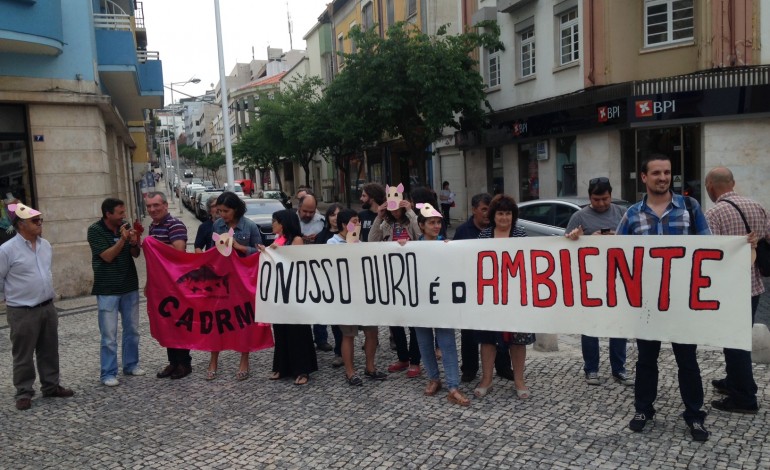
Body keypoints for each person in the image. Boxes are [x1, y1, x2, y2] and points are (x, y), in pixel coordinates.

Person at [616, 155, 711, 442]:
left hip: (682, 301)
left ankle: (695, 415)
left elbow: (711, 247)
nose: (663, 177)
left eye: (667, 172)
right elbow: (613, 254)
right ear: (644, 177)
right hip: (646, 302)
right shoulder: (632, 214)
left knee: (688, 360)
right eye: (656, 172)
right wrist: (579, 241)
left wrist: (741, 246)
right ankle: (643, 410)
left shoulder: (691, 209)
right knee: (646, 359)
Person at [704, 166, 767, 414]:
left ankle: (744, 399)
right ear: (732, 182)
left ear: (710, 185)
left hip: (729, 289)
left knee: (734, 342)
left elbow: (710, 255)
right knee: (738, 339)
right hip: (754, 286)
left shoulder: (715, 213)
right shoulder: (757, 206)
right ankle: (736, 382)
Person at [0, 203, 74, 410]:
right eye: (35, 221)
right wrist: (10, 298)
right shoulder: (6, 250)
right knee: (23, 354)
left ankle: (51, 386)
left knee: (49, 350)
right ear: (21, 224)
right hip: (22, 310)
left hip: (47, 307)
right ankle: (24, 392)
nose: (40, 223)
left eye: (40, 220)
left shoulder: (45, 245)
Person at [564, 177, 633, 387]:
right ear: (589, 198)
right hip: (591, 279)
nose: (601, 203)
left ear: (611, 196)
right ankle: (591, 368)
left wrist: (617, 237)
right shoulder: (579, 216)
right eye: (596, 199)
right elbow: (565, 244)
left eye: (604, 199)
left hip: (619, 277)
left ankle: (619, 369)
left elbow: (636, 240)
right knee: (590, 326)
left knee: (618, 326)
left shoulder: (623, 213)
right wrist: (581, 238)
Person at [474, 194, 534, 400]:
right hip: (490, 296)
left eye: (508, 213)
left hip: (516, 296)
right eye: (500, 213)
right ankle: (487, 379)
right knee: (488, 339)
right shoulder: (484, 236)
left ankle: (519, 380)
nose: (504, 218)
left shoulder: (520, 234)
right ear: (493, 215)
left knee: (518, 339)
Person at [411, 202, 469, 406]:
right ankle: (433, 378)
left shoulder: (447, 246)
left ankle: (453, 386)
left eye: (438, 222)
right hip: (421, 303)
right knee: (425, 343)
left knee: (447, 343)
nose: (436, 226)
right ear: (421, 225)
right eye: (432, 222)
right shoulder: (412, 247)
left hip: (442, 302)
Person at [453, 193, 513, 383]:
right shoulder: (463, 231)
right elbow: (454, 257)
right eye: (484, 209)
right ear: (474, 210)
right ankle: (470, 368)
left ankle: (503, 367)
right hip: (471, 288)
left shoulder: (499, 231)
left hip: (498, 288)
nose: (488, 214)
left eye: (490, 210)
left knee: (500, 328)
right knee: (469, 331)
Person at [206, 192, 263, 381]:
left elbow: (260, 252)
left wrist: (241, 248)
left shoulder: (250, 226)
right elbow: (212, 251)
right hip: (221, 281)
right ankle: (213, 360)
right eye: (219, 210)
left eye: (226, 211)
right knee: (217, 321)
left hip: (243, 283)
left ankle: (244, 360)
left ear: (236, 209)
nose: (222, 214)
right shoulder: (217, 225)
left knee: (244, 320)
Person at [87, 198, 144, 387]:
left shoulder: (125, 226)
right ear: (108, 214)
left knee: (132, 330)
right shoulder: (95, 231)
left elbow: (135, 254)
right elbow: (108, 256)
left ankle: (131, 364)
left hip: (129, 286)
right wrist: (123, 239)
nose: (123, 216)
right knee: (109, 335)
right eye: (120, 213)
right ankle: (108, 373)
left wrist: (135, 243)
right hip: (107, 289)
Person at [369, 196, 422, 378]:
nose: (394, 209)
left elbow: (421, 236)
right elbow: (372, 240)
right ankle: (403, 357)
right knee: (396, 320)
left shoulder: (412, 220)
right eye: (390, 205)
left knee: (415, 322)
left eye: (397, 204)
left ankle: (415, 361)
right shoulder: (386, 224)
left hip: (413, 276)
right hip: (392, 277)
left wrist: (410, 212)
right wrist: (379, 217)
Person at [265, 209, 318, 385]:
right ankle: (282, 367)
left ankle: (302, 369)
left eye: (275, 221)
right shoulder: (277, 239)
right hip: (280, 291)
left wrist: (276, 251)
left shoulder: (296, 240)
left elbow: (294, 261)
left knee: (297, 332)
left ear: (284, 223)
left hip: (295, 292)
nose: (273, 224)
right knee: (280, 330)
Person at [146, 191, 192, 380]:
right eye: (149, 206)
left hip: (176, 284)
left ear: (165, 205)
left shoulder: (175, 225)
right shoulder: (152, 227)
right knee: (166, 323)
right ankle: (173, 362)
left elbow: (179, 251)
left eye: (156, 205)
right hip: (160, 285)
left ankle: (184, 363)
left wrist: (153, 246)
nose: (152, 209)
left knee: (179, 323)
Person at [297, 193, 331, 351]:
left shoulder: (323, 221)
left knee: (320, 305)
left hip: (318, 269)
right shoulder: (291, 220)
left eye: (311, 212)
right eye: (305, 211)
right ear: (299, 207)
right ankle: (303, 339)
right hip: (298, 268)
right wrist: (301, 239)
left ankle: (321, 338)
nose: (308, 215)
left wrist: (319, 238)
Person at [326, 209, 359, 367]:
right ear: (344, 224)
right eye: (354, 221)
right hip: (343, 295)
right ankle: (349, 370)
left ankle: (370, 367)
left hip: (359, 294)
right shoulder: (332, 243)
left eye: (358, 221)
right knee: (348, 334)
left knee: (371, 331)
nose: (357, 224)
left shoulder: (359, 241)